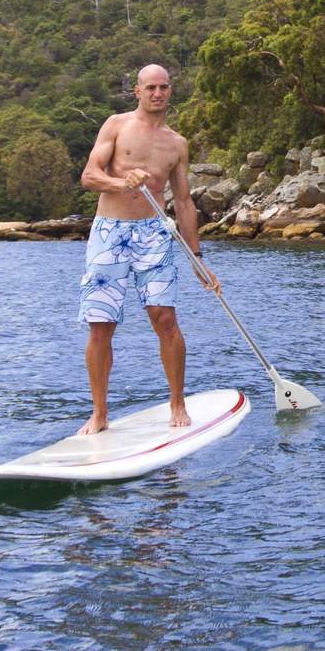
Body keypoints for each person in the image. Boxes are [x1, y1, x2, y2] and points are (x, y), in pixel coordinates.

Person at [76, 64, 219, 435]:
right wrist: (122, 182)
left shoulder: (176, 144)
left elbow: (184, 202)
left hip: (154, 234)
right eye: (150, 87)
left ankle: (177, 403)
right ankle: (100, 413)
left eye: (163, 87)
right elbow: (89, 176)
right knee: (100, 325)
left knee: (165, 320)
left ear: (170, 91)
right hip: (109, 233)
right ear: (137, 91)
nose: (157, 93)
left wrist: (197, 258)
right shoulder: (116, 125)